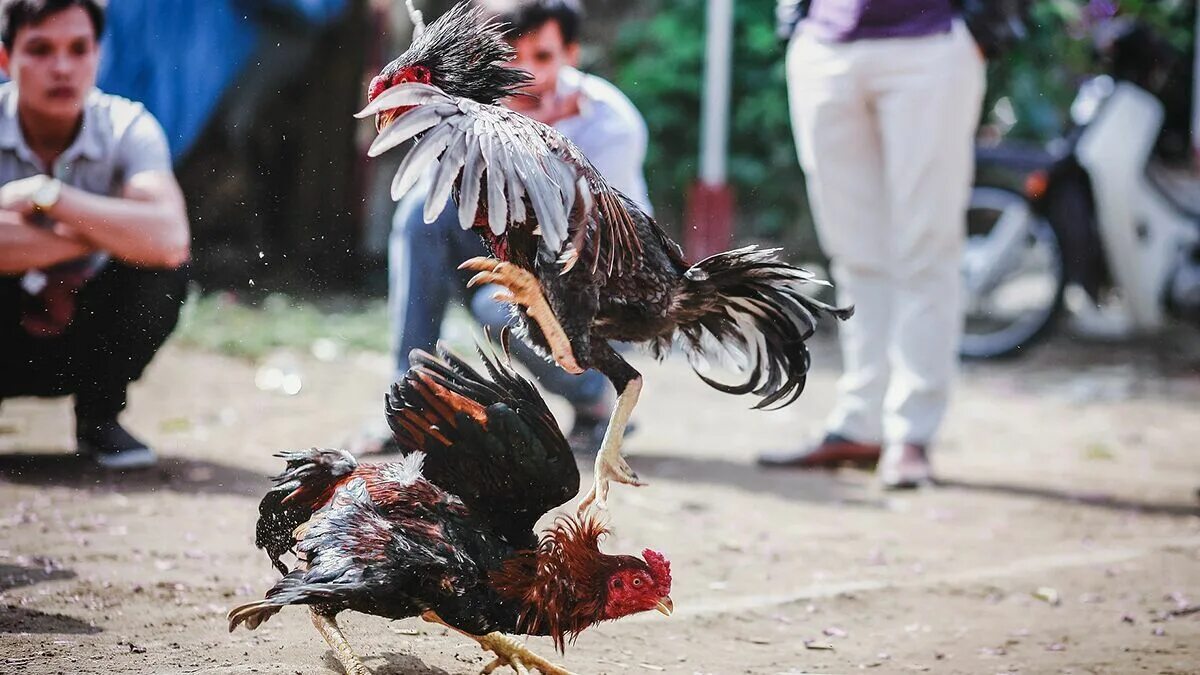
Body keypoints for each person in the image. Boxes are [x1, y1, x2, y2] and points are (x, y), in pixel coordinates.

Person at [373, 0, 652, 452]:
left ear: (572, 55)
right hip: (511, 257)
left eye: (542, 57)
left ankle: (598, 393)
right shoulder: (477, 106)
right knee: (422, 211)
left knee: (499, 307)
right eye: (510, 56)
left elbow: (615, 249)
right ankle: (410, 401)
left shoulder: (610, 125)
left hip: (593, 289)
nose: (525, 73)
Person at [758, 0, 987, 488]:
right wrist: (796, 23)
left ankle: (911, 434)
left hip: (930, 41)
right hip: (825, 43)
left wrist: (982, 29)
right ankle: (861, 421)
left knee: (927, 247)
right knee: (854, 252)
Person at [0, 0, 190, 470]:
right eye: (40, 49)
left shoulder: (129, 126)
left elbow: (168, 240)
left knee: (163, 272)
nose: (62, 67)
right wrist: (111, 231)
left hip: (85, 334)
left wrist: (48, 196)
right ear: (6, 59)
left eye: (78, 48)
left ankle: (100, 415)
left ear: (98, 55)